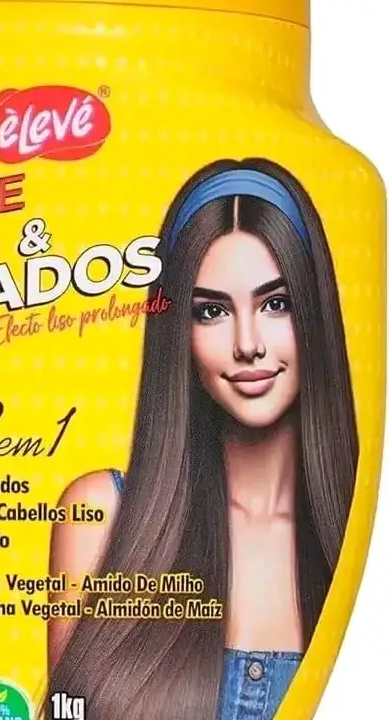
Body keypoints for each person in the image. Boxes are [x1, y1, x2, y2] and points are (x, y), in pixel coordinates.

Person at [47, 158, 358, 720]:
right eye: (212, 311)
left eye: (276, 304)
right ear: (179, 333)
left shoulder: (362, 531)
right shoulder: (100, 519)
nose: (248, 344)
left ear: (314, 311)